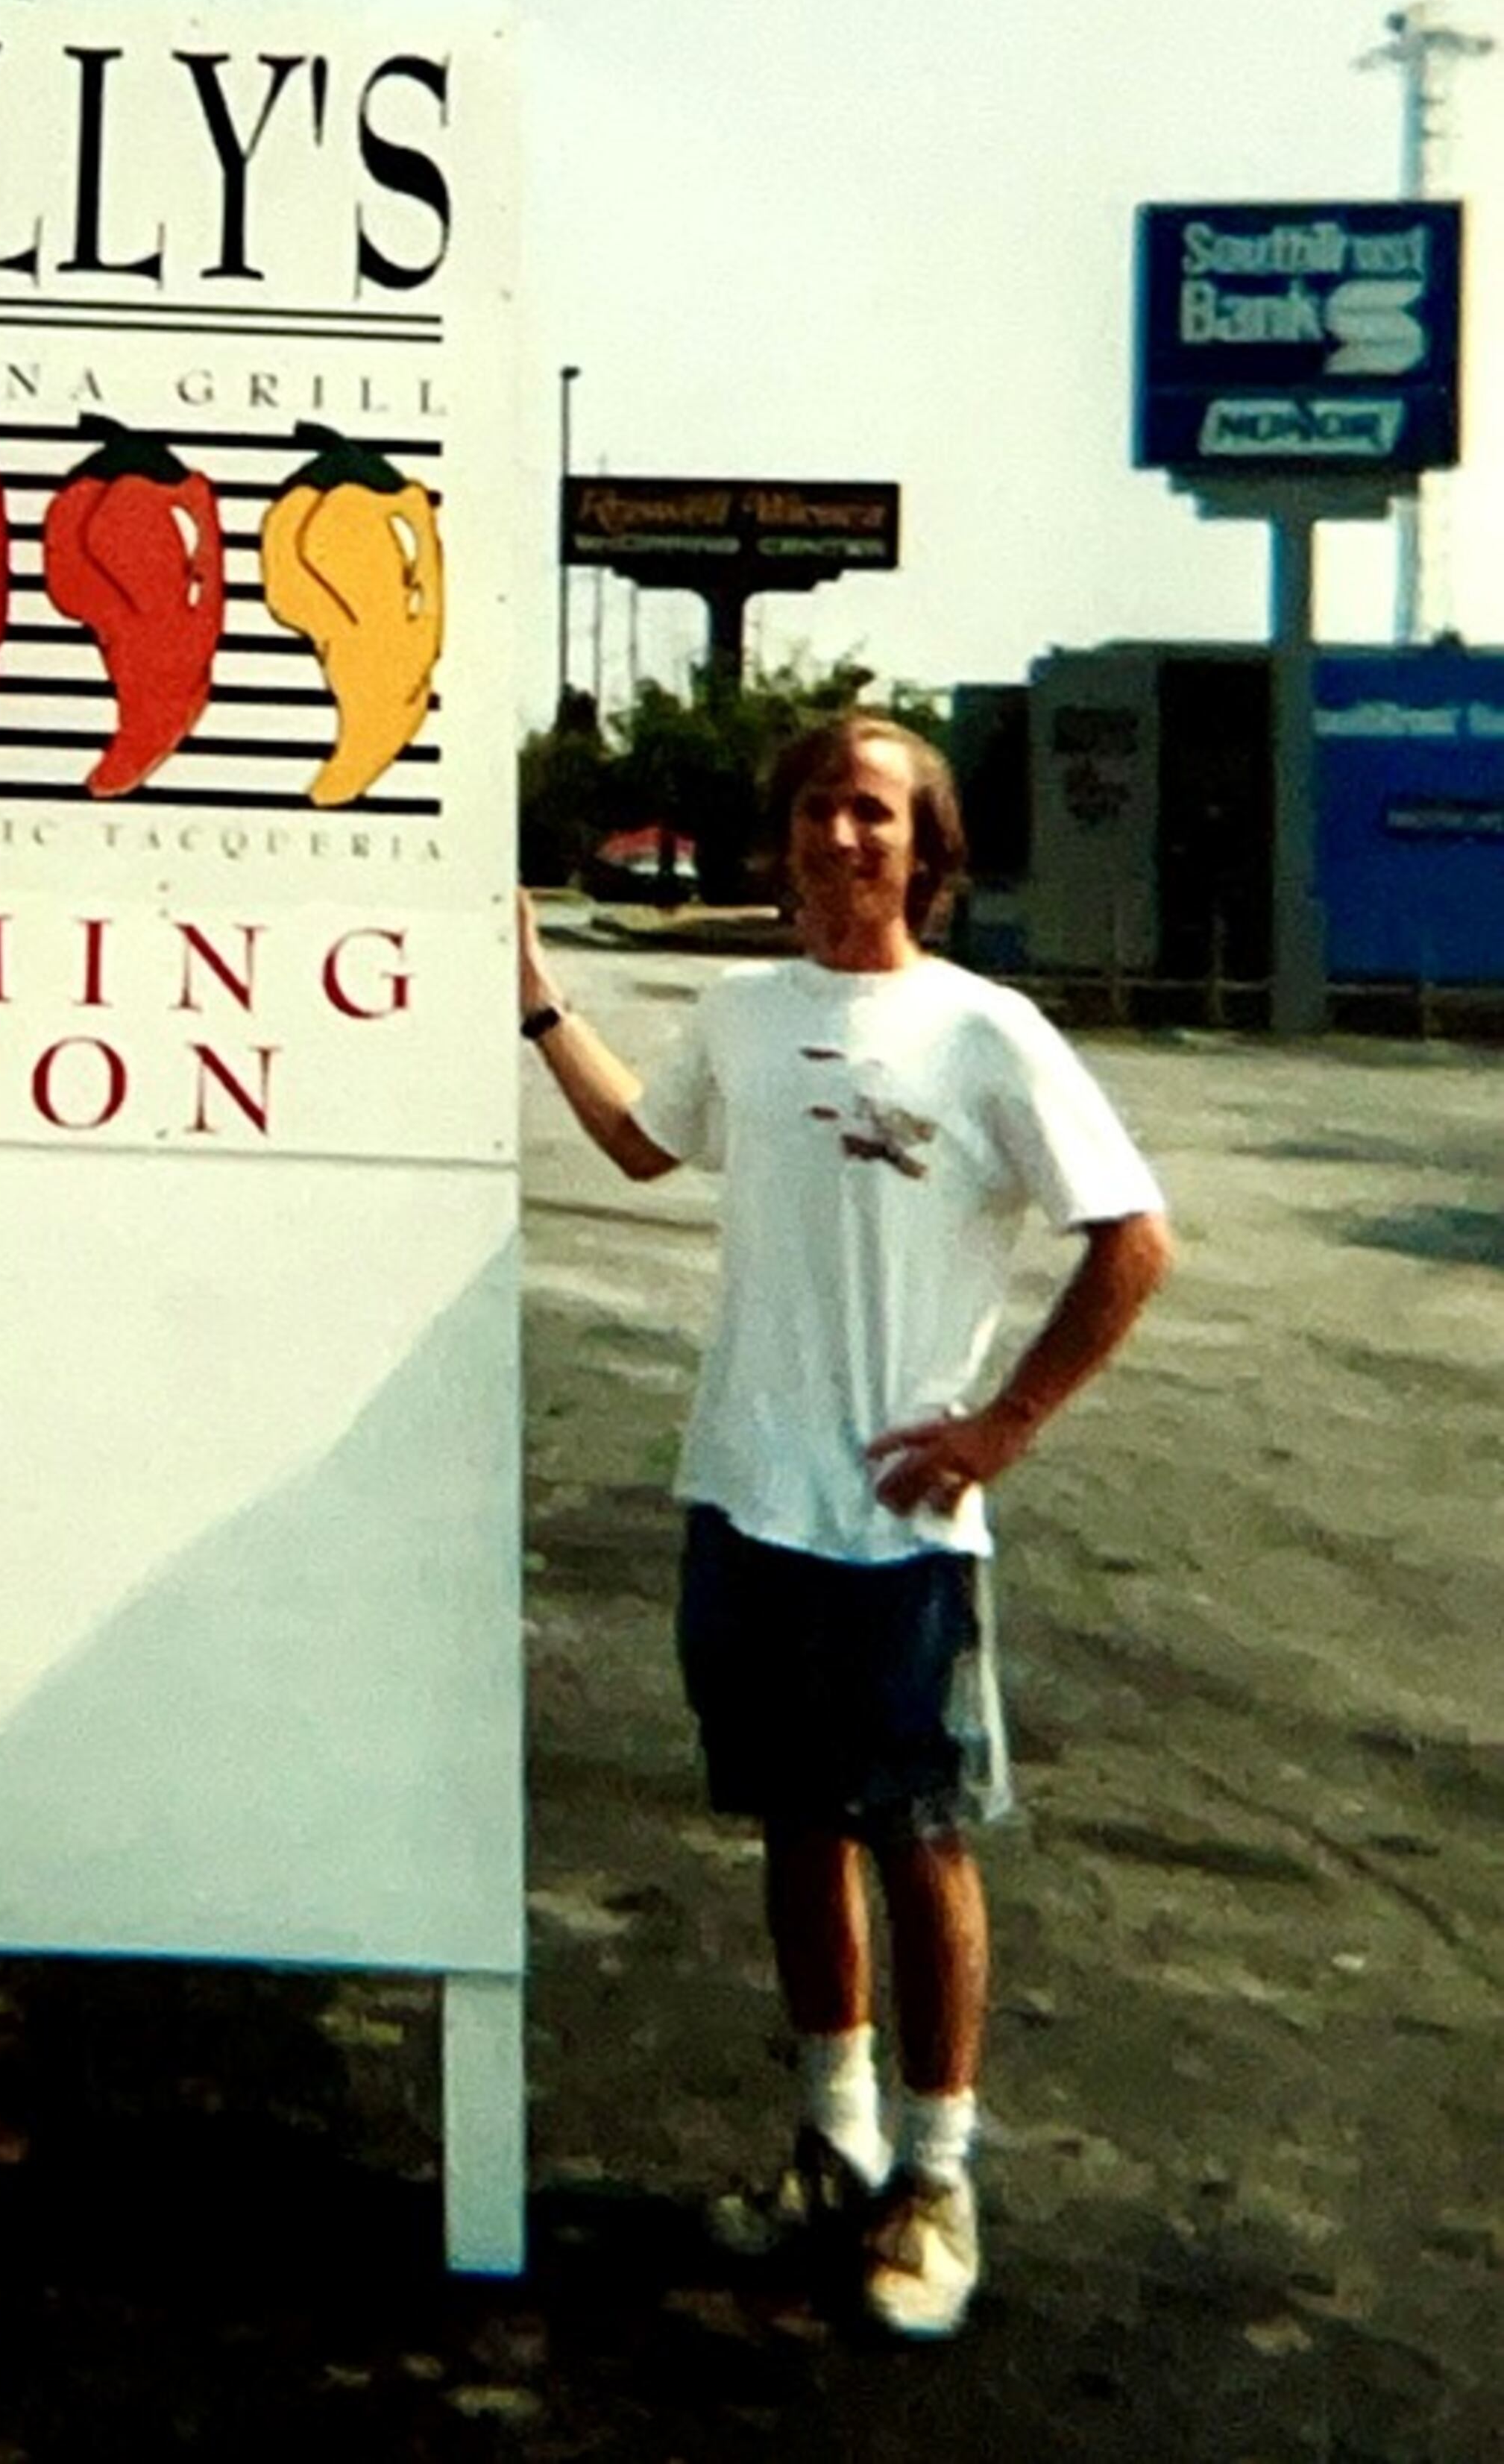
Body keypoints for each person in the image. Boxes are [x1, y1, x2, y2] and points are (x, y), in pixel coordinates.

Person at [517, 714, 1171, 2340]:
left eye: (875, 811)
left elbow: (1134, 1244)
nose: (842, 834)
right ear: (787, 836)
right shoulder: (741, 1015)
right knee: (797, 1827)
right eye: (819, 806)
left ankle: (936, 2179)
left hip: (901, 1535)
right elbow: (637, 1142)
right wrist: (536, 1005)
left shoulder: (987, 1033)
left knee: (920, 1836)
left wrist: (1002, 1427)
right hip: (747, 1498)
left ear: (928, 850)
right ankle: (833, 2137)